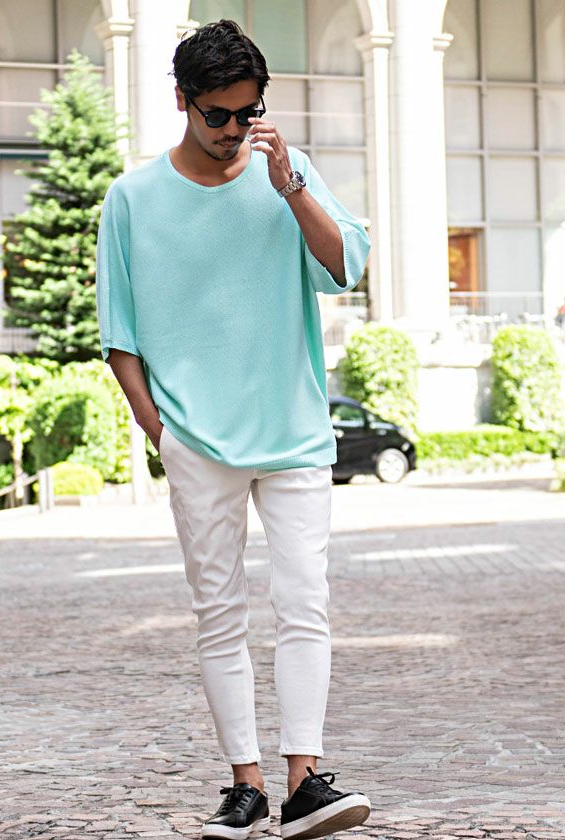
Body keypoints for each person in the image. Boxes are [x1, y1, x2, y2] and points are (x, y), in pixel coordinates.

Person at [95, 19, 372, 840]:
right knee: (218, 615)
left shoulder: (288, 172)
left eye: (248, 113)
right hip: (196, 440)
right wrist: (159, 430)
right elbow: (119, 333)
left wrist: (291, 187)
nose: (232, 131)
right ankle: (245, 785)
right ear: (182, 101)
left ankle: (305, 781)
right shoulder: (133, 199)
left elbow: (345, 268)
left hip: (292, 428)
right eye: (217, 115)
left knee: (305, 603)